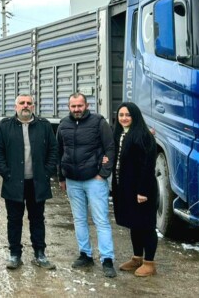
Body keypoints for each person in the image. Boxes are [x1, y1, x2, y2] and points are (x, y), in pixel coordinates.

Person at [57, 92, 117, 278]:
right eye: (73, 106)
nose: (76, 109)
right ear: (69, 107)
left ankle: (107, 259)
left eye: (79, 106)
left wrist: (103, 173)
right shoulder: (63, 125)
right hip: (72, 181)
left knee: (101, 220)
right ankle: (85, 255)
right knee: (79, 219)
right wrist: (61, 177)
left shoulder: (99, 122)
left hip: (94, 180)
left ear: (86, 105)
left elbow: (110, 147)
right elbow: (60, 151)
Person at [0, 94, 57, 270]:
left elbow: (53, 149)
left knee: (37, 218)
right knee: (14, 219)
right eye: (22, 103)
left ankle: (40, 253)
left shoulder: (43, 125)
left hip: (37, 182)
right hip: (14, 182)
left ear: (34, 107)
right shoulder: (5, 126)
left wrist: (46, 172)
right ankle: (15, 254)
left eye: (29, 103)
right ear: (16, 106)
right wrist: (6, 173)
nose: (26, 106)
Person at [112, 102, 158, 277]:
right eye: (121, 115)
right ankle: (137, 258)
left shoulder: (144, 136)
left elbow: (148, 166)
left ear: (135, 116)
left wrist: (143, 191)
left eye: (128, 115)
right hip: (125, 189)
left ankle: (149, 263)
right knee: (134, 224)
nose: (124, 118)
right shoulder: (119, 134)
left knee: (146, 226)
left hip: (142, 190)